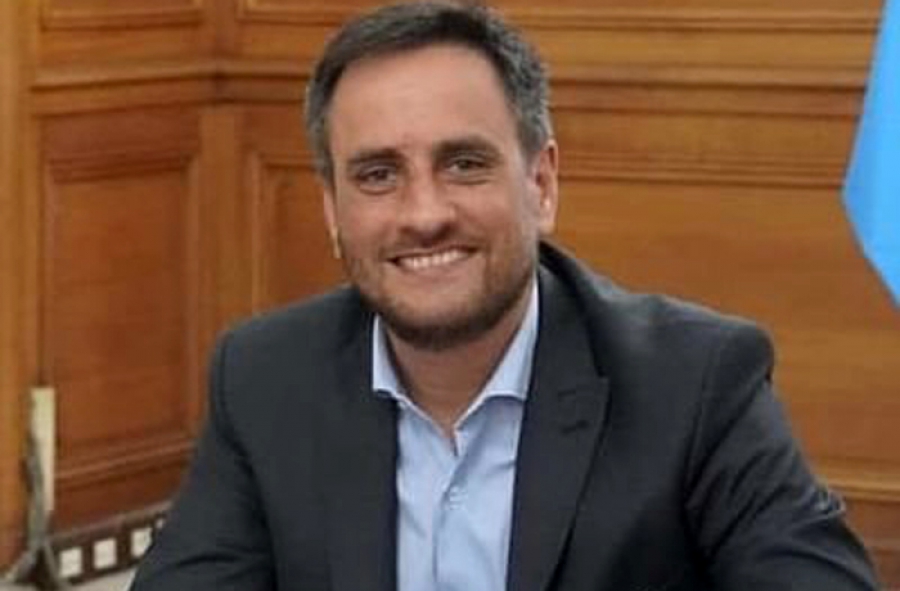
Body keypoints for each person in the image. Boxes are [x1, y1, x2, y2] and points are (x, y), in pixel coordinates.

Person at [130, 2, 881, 590]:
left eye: (463, 164)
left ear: (541, 184)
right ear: (332, 211)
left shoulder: (695, 383)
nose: (425, 213)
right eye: (378, 175)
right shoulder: (264, 378)